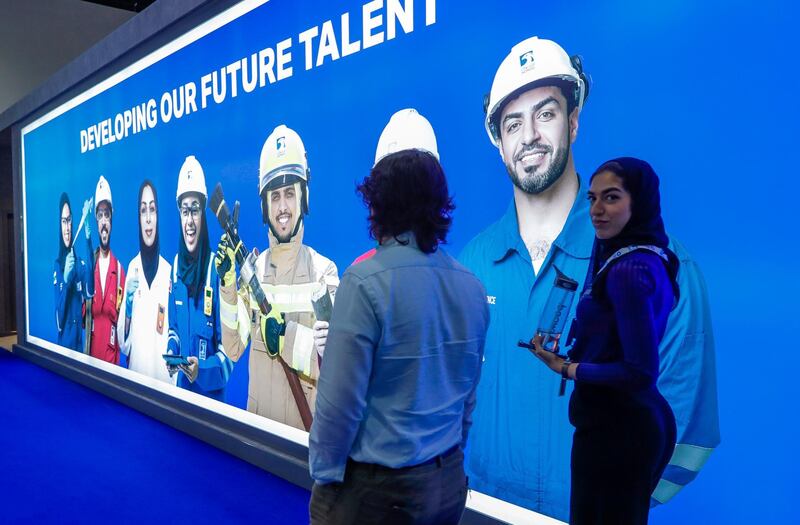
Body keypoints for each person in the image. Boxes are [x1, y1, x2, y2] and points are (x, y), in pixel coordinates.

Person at [458, 36, 720, 519]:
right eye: (512, 123)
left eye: (547, 113)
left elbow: (688, 425)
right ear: (498, 144)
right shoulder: (471, 266)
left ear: (574, 120)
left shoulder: (659, 265)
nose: (530, 135)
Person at [308, 109, 489, 525]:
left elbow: (338, 408)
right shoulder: (472, 288)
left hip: (378, 494)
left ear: (377, 199)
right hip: (446, 485)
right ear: (438, 199)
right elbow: (466, 402)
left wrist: (325, 478)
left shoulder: (363, 283)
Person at [530, 157, 678, 524]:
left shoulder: (628, 269)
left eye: (611, 198)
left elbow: (639, 371)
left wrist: (568, 368)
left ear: (638, 202)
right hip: (627, 422)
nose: (597, 210)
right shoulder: (648, 257)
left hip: (619, 430)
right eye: (592, 199)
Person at [217, 125, 338, 430]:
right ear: (264, 205)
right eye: (274, 197)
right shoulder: (252, 271)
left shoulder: (325, 273)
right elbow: (233, 348)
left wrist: (285, 337)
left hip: (306, 445)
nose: (282, 207)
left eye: (289, 194)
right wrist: (228, 285)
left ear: (303, 197)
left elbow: (338, 362)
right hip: (259, 438)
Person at [166, 156, 233, 401]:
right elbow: (173, 329)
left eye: (195, 210)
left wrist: (202, 371)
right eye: (185, 211)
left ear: (203, 214)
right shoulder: (175, 268)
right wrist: (172, 351)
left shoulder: (218, 270)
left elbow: (230, 353)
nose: (190, 221)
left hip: (211, 405)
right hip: (182, 395)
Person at [118, 180, 173, 384]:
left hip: (166, 384)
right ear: (138, 218)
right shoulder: (132, 269)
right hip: (137, 383)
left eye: (152, 209)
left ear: (158, 216)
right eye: (143, 211)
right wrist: (129, 307)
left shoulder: (169, 272)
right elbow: (124, 345)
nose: (148, 218)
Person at [87, 176, 126, 364]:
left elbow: (125, 329)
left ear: (112, 218)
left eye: (107, 215)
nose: (104, 222)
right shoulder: (88, 267)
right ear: (96, 219)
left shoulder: (119, 272)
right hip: (90, 363)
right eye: (100, 215)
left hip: (112, 367)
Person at [54, 192, 94, 351]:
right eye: (64, 222)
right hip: (64, 351)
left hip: (80, 350)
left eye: (69, 220)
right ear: (59, 224)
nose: (68, 228)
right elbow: (58, 322)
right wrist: (65, 279)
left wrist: (88, 234)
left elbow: (90, 291)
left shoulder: (79, 264)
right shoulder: (57, 266)